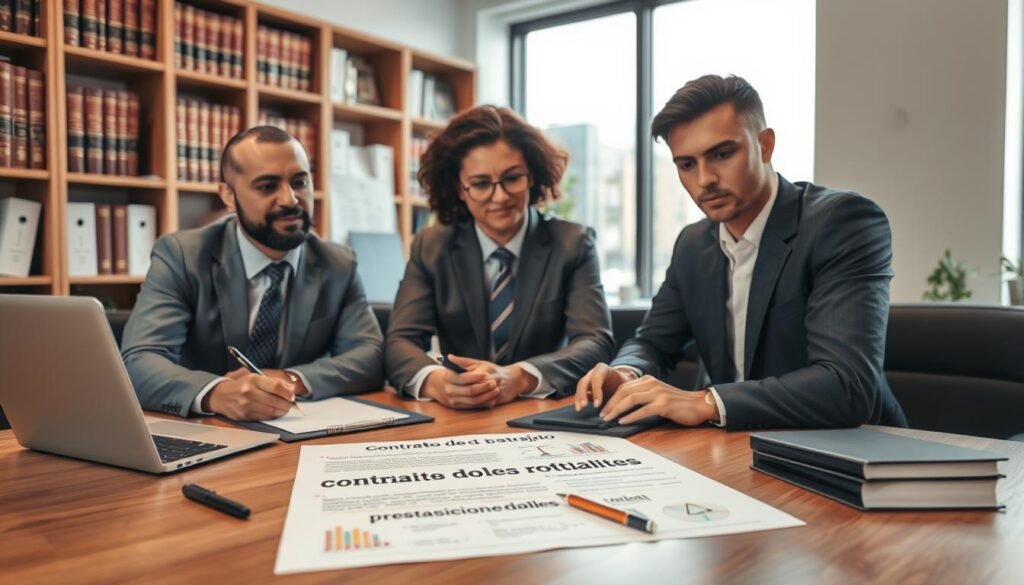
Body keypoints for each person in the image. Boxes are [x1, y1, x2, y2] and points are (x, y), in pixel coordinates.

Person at [575, 75, 907, 430]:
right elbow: (653, 342)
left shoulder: (841, 223)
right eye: (686, 164)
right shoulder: (693, 244)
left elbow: (847, 386)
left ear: (765, 145)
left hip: (849, 455)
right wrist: (625, 372)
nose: (704, 180)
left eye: (721, 154)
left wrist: (706, 402)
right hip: (738, 447)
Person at [121, 126, 384, 421]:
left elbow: (370, 355)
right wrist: (217, 394)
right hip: (208, 432)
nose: (290, 199)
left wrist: (288, 380)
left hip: (295, 436)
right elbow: (139, 361)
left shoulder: (338, 263)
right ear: (228, 195)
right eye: (267, 186)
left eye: (300, 182)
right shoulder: (183, 256)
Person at [386, 105, 615, 409]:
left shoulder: (572, 244)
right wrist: (438, 383)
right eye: (481, 184)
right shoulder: (431, 247)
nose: (500, 196)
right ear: (459, 189)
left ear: (531, 176)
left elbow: (594, 341)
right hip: (462, 418)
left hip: (542, 411)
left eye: (512, 178)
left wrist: (519, 377)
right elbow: (399, 343)